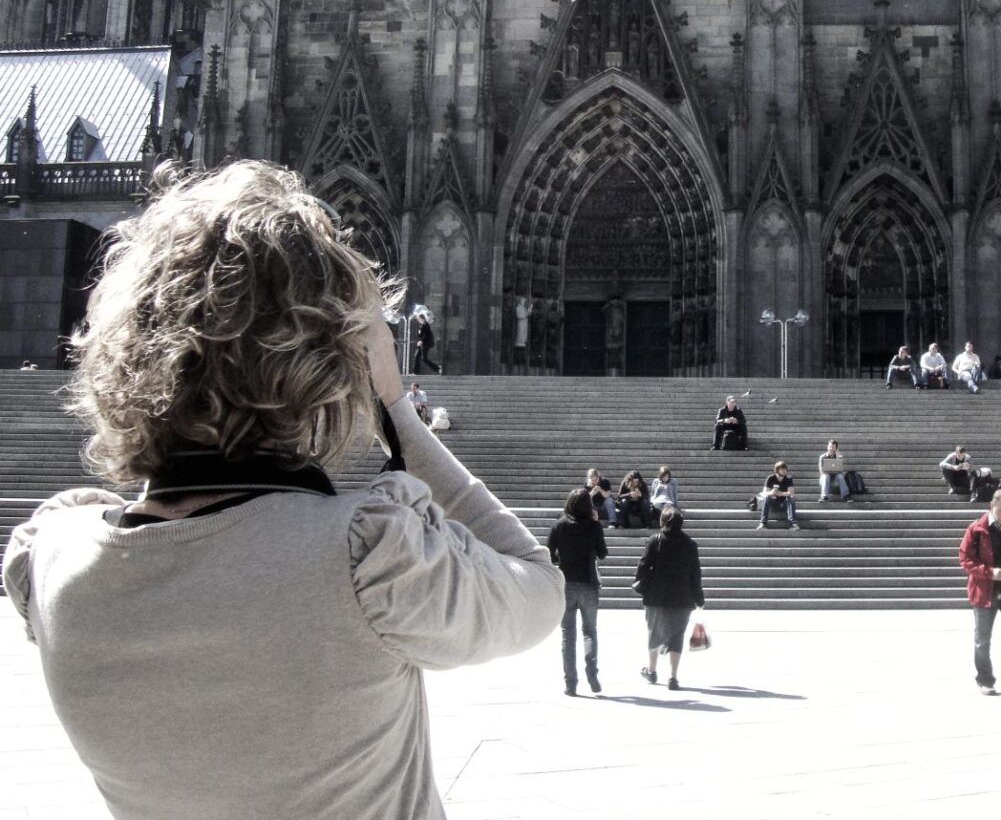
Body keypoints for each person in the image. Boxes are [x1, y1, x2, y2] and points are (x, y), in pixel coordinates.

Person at [0, 160, 563, 820]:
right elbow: (535, 585)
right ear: (329, 358)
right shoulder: (368, 559)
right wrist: (394, 408)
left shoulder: (50, 558)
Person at [957, 487, 1001, 702]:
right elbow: (965, 559)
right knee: (981, 640)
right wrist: (989, 572)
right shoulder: (976, 529)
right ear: (992, 506)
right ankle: (985, 680)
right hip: (985, 592)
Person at [634, 506, 705, 691]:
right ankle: (673, 677)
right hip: (682, 597)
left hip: (655, 596)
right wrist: (699, 598)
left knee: (654, 632)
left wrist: (640, 585)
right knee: (677, 635)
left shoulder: (654, 540)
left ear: (662, 521)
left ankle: (652, 670)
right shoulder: (690, 545)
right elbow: (695, 574)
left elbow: (643, 566)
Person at [547, 488, 608, 696]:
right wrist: (596, 523)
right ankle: (592, 673)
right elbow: (603, 553)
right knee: (590, 631)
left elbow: (549, 552)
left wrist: (560, 561)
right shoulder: (594, 527)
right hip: (589, 583)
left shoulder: (559, 525)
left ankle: (570, 683)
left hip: (566, 583)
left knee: (567, 634)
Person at [757, 460, 799, 530]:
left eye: (785, 469)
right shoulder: (770, 478)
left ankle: (793, 524)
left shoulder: (789, 478)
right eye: (782, 469)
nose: (784, 471)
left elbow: (791, 493)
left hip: (784, 504)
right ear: (777, 470)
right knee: (767, 497)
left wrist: (781, 493)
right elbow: (764, 493)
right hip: (772, 504)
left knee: (791, 498)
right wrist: (772, 492)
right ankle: (763, 523)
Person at [413, 308, 442, 374]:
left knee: (424, 359)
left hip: (425, 345)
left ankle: (438, 368)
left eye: (418, 318)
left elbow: (427, 335)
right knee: (417, 356)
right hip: (422, 344)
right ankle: (415, 372)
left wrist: (421, 341)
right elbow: (421, 335)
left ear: (422, 318)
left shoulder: (426, 325)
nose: (417, 320)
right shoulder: (422, 325)